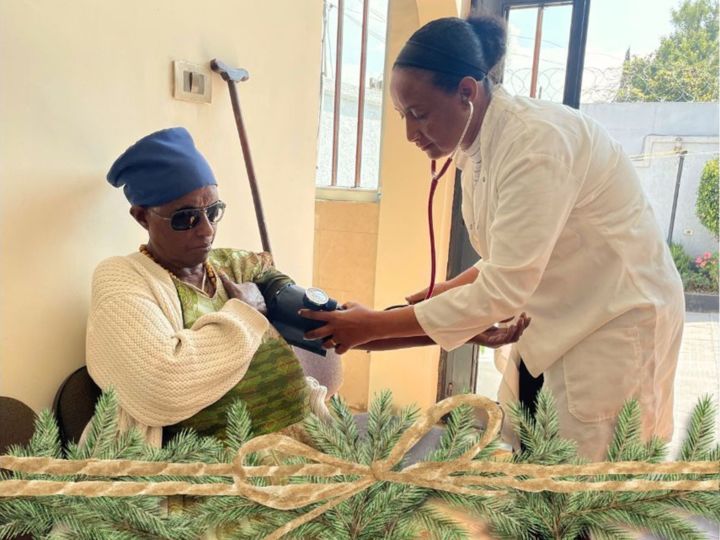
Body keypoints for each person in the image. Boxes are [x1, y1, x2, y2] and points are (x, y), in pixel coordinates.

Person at [301, 16, 685, 460]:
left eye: (419, 114)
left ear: (467, 91)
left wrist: (372, 328)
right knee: (531, 455)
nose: (410, 133)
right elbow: (507, 256)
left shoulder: (535, 144)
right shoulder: (480, 147)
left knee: (583, 481)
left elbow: (501, 290)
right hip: (556, 321)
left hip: (615, 322)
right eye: (403, 116)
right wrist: (428, 300)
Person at [86, 127, 331, 448]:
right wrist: (245, 312)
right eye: (185, 218)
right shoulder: (122, 277)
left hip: (305, 436)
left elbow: (278, 286)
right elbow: (162, 387)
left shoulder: (235, 264)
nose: (206, 230)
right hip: (218, 464)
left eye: (213, 212)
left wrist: (311, 308)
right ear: (142, 217)